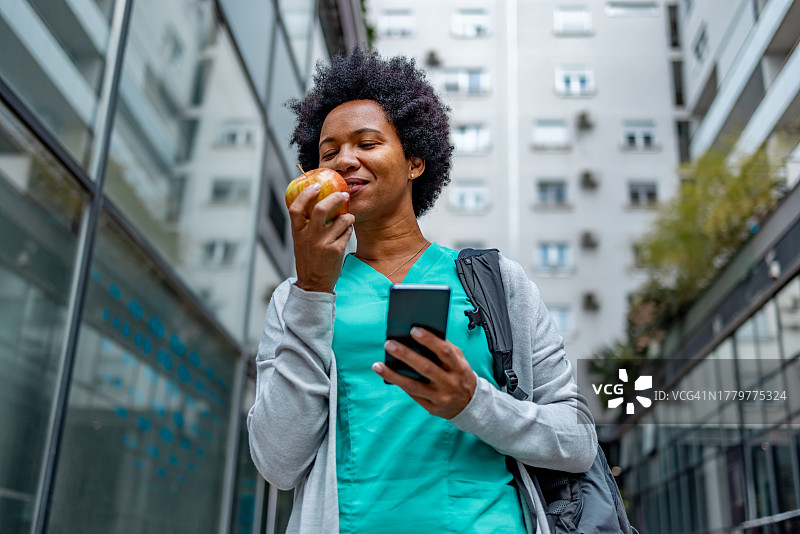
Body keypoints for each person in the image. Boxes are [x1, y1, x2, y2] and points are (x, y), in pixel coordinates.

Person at [247, 46, 597, 534]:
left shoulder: (497, 284)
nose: (345, 159)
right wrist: (312, 289)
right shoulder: (296, 298)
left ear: (414, 161)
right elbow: (278, 463)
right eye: (329, 153)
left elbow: (577, 441)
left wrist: (473, 402)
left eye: (367, 143)